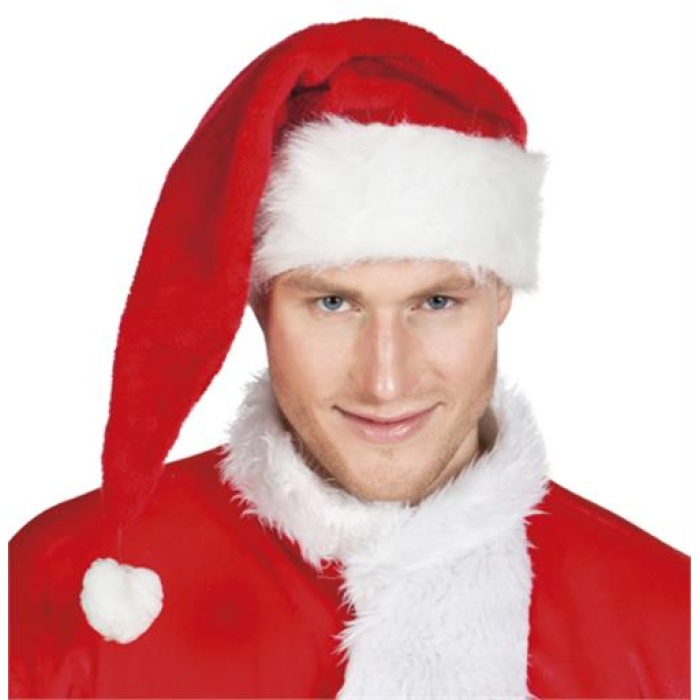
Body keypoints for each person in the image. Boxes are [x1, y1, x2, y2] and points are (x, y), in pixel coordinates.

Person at [9, 18, 689, 699]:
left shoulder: (669, 622)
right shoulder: (55, 588)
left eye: (437, 302)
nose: (384, 382)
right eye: (333, 303)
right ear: (259, 301)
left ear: (501, 296)